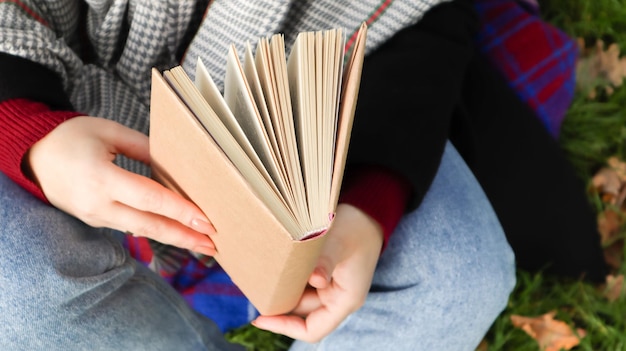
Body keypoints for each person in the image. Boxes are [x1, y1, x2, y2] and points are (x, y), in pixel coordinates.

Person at [0, 0, 602, 349]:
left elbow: (419, 29)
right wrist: (31, 136)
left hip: (321, 100)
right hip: (50, 91)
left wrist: (370, 204)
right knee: (18, 289)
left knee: (457, 275)